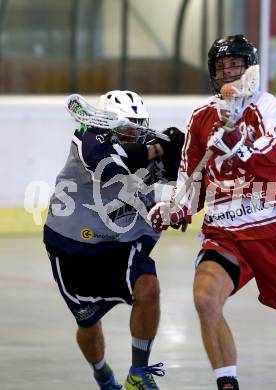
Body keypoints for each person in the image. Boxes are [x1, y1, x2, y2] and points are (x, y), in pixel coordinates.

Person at [148, 35, 276, 389]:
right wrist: (175, 208)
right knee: (205, 298)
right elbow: (191, 179)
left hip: (273, 233)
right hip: (225, 234)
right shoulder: (202, 118)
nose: (228, 73)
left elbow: (274, 166)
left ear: (249, 67)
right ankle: (227, 383)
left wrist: (238, 148)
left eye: (234, 65)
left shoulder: (271, 109)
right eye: (221, 67)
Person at [43, 90, 184, 389]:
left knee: (150, 288)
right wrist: (157, 151)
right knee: (89, 327)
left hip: (123, 240)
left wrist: (180, 154)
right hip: (72, 244)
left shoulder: (149, 144)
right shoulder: (87, 136)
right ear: (107, 124)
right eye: (126, 128)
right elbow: (106, 164)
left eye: (138, 127)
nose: (134, 134)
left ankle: (139, 373)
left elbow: (180, 182)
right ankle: (102, 375)